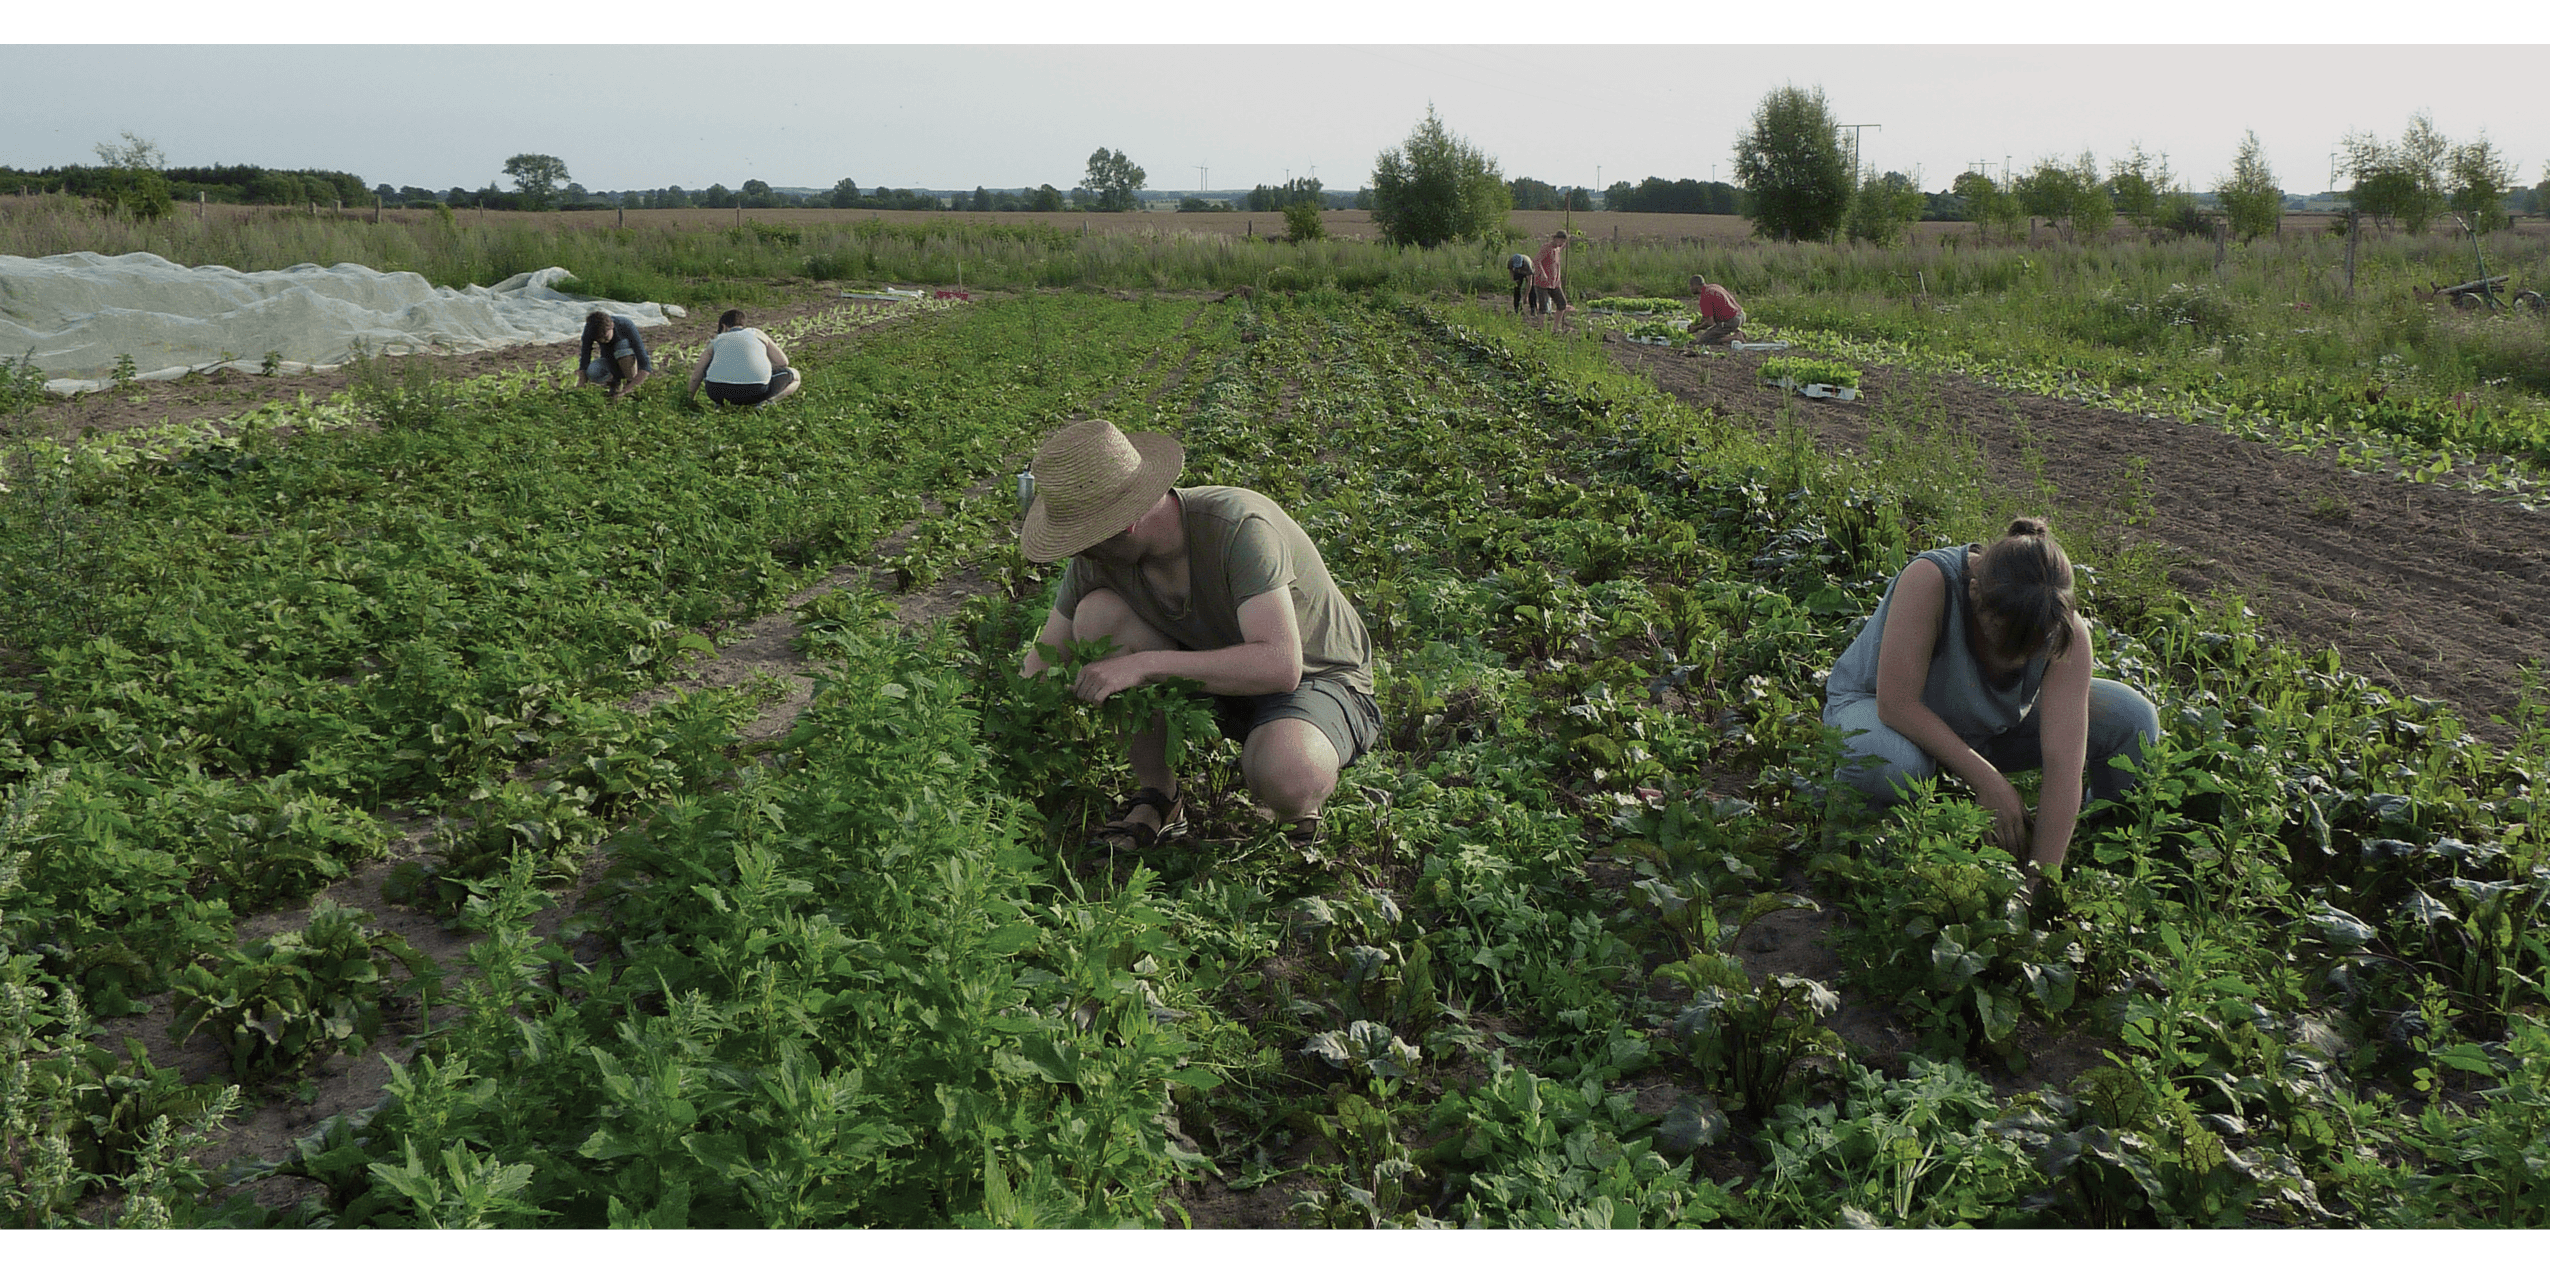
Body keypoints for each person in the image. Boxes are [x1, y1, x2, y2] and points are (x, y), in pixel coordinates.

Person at [1016, 418, 1380, 851]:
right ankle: (1159, 797)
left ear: (1125, 522)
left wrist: (1143, 666)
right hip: (1213, 679)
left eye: (1085, 540)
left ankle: (1296, 828)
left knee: (1287, 771)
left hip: (1315, 680)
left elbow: (1281, 667)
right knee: (1096, 615)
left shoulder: (1238, 527)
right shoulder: (1099, 560)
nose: (1079, 553)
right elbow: (1042, 663)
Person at [1822, 518, 2162, 889]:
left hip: (1987, 727)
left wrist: (2038, 881)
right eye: (2000, 641)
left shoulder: (2064, 631)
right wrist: (1990, 782)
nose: (2011, 664)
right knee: (1889, 763)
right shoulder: (1931, 580)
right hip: (1881, 713)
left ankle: (2105, 846)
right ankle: (1857, 851)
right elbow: (1896, 704)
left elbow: (2064, 766)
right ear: (1974, 594)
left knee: (2131, 717)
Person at [687, 309, 801, 407]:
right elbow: (783, 362)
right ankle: (767, 402)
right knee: (795, 375)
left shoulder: (716, 340)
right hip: (755, 391)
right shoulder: (756, 333)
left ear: (724, 326)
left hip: (717, 392)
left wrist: (689, 399)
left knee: (708, 364)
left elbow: (696, 375)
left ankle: (720, 405)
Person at [577, 310, 653, 401]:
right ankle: (615, 383)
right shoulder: (589, 330)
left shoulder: (625, 325)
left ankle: (630, 385)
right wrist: (580, 388)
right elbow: (584, 361)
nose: (602, 341)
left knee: (622, 345)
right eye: (599, 340)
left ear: (612, 325)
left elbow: (645, 367)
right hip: (610, 361)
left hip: (629, 361)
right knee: (593, 370)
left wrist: (625, 393)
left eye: (605, 337)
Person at [1531, 230, 1573, 329]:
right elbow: (1536, 260)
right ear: (1556, 239)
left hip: (1554, 283)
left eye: (1564, 241)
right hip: (1543, 283)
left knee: (1562, 303)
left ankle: (1555, 328)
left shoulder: (1558, 249)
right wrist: (1542, 273)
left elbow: (1562, 247)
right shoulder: (1547, 248)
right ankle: (1542, 328)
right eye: (1561, 240)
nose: (1562, 243)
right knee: (1543, 306)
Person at [1689, 274, 1746, 345]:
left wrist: (1696, 328)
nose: (1690, 289)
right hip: (1741, 315)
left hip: (1733, 320)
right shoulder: (1714, 286)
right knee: (1719, 324)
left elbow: (1710, 322)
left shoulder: (1705, 296)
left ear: (1695, 285)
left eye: (1691, 286)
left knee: (1705, 340)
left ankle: (1735, 337)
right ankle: (1738, 331)